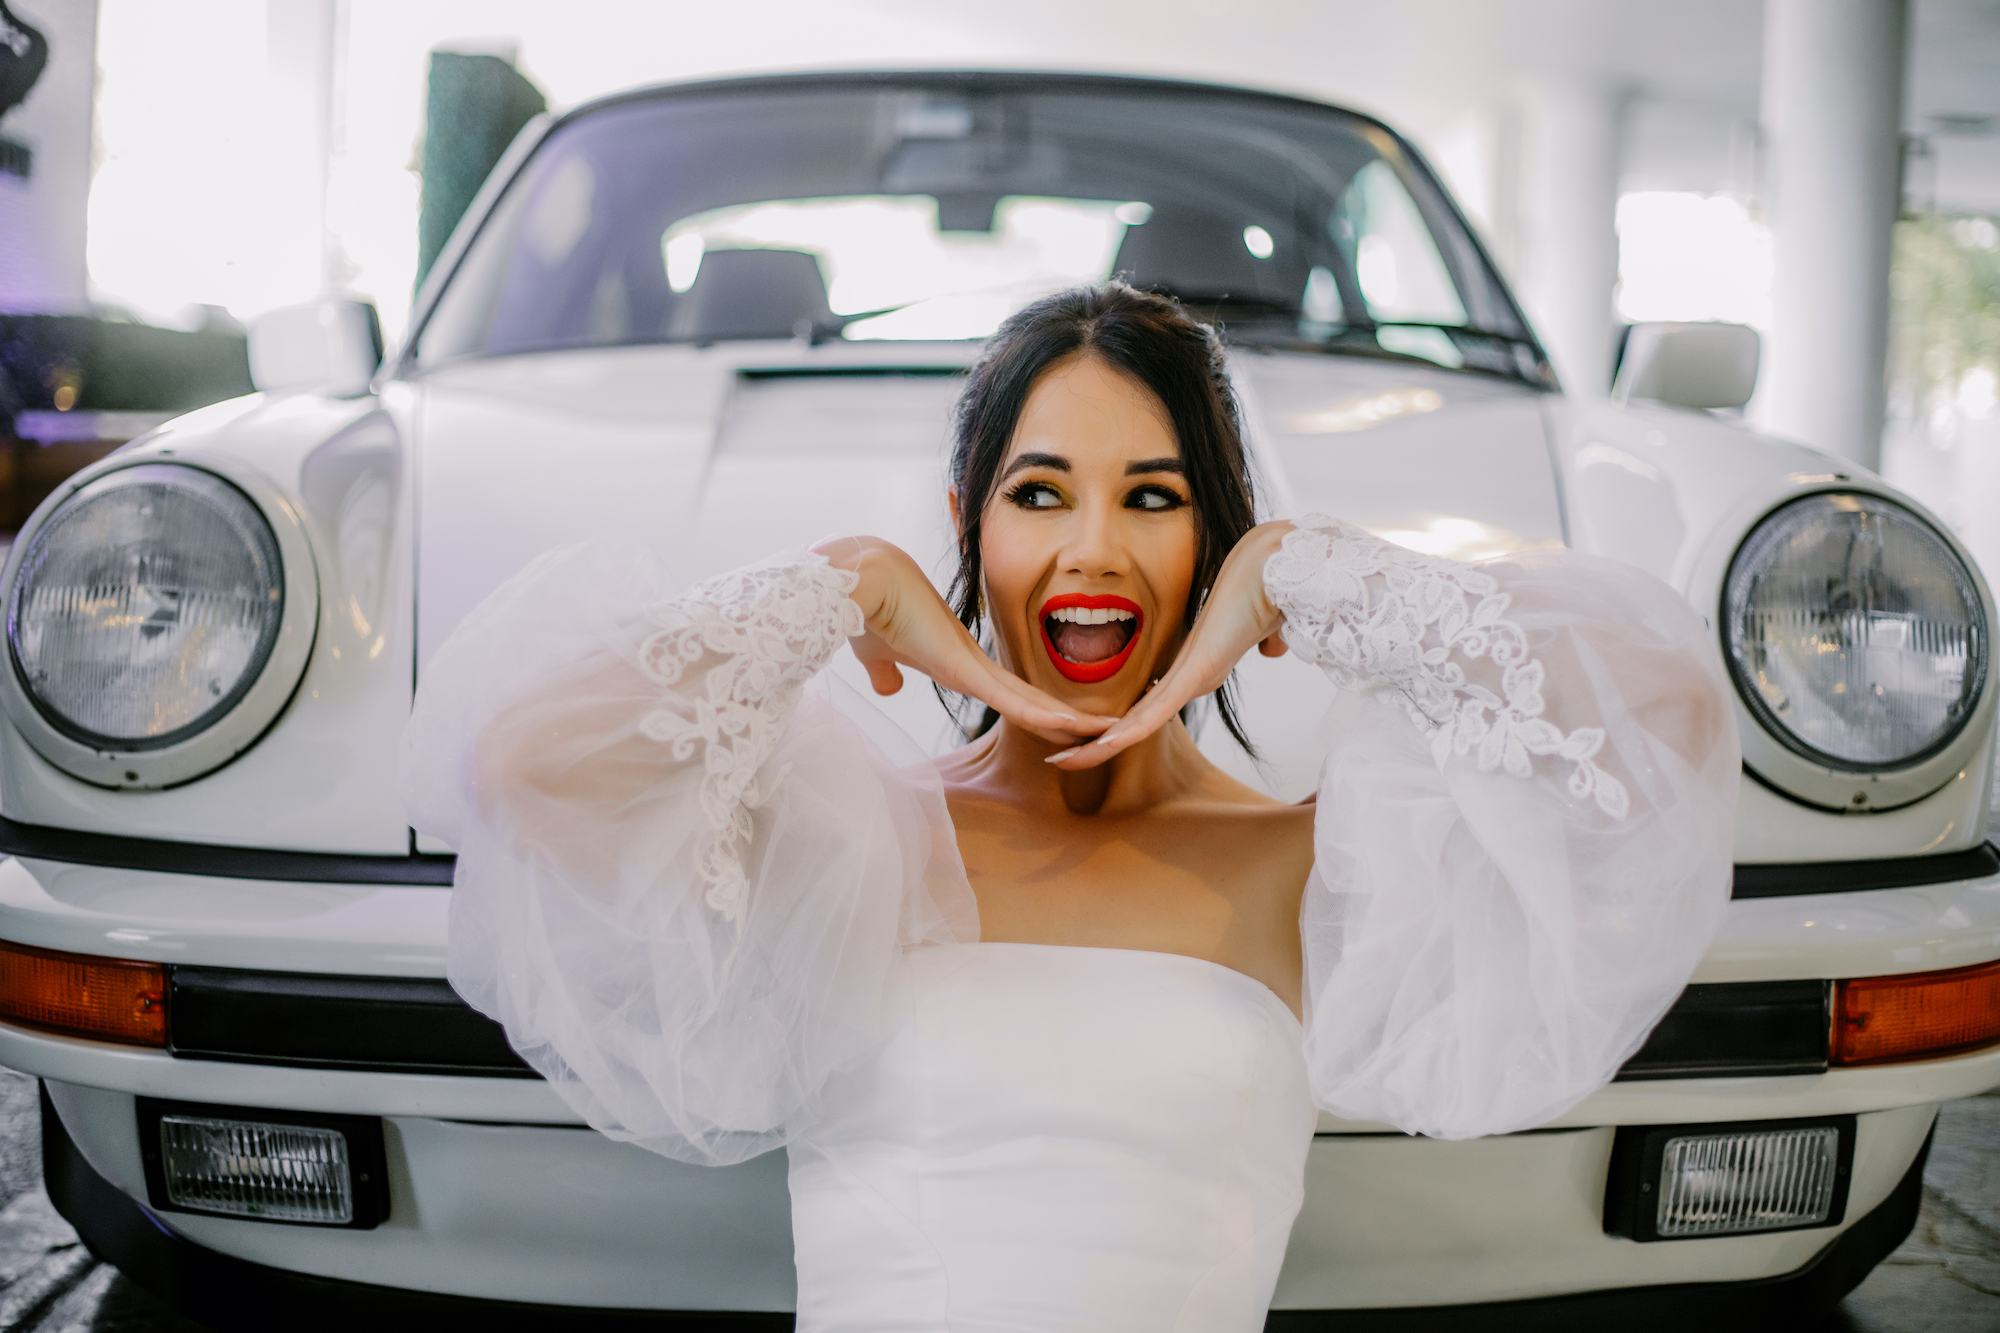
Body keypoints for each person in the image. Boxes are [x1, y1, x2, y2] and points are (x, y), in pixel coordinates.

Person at [400, 283, 1739, 1332]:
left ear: (1206, 552)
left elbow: (1662, 729)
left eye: (1153, 500)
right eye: (1039, 494)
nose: (1093, 548)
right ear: (969, 532)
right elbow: (518, 762)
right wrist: (848, 584)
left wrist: (1303, 569)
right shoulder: (853, 833)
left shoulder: (1306, 853)